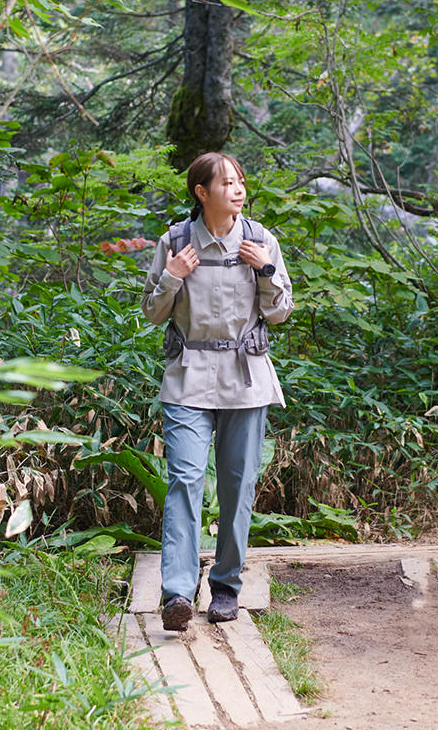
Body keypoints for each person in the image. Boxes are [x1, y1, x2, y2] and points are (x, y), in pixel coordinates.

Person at [140, 152, 293, 631]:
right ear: (201, 193)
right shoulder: (176, 241)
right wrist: (173, 276)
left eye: (240, 180)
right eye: (226, 182)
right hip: (188, 377)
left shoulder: (260, 239)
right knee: (184, 481)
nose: (237, 188)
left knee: (237, 486)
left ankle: (226, 586)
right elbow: (151, 311)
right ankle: (178, 594)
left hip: (246, 380)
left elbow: (281, 312)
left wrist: (265, 270)